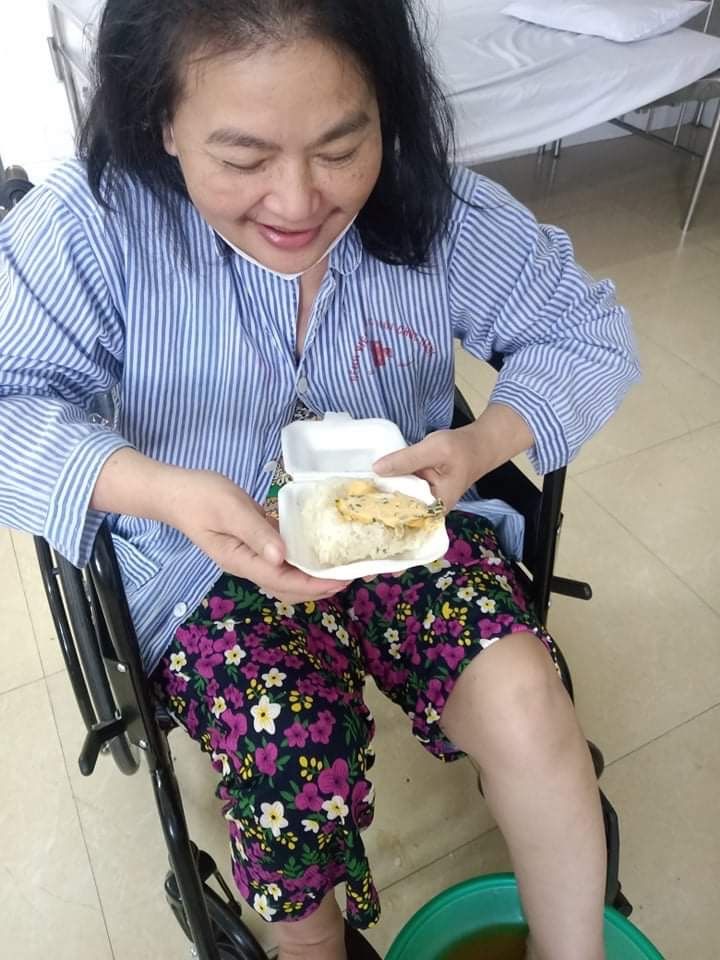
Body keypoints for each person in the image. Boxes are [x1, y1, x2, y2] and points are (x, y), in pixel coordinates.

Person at [0, 1, 640, 958]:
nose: (297, 203)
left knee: (524, 696)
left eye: (342, 148)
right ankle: (310, 944)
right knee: (287, 765)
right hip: (199, 564)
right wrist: (162, 490)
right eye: (243, 158)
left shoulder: (434, 210)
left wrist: (482, 443)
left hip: (401, 522)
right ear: (163, 121)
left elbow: (587, 332)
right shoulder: (94, 224)